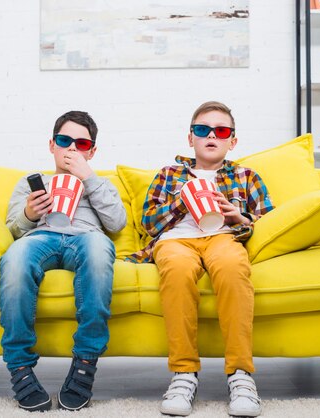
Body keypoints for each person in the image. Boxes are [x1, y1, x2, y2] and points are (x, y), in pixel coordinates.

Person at [127, 101, 274, 417]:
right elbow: (148, 224)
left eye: (221, 131)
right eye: (202, 129)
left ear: (231, 141)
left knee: (234, 268)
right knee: (177, 271)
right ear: (190, 138)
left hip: (223, 236)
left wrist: (241, 216)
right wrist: (182, 202)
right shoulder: (169, 174)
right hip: (175, 241)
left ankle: (240, 375)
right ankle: (183, 374)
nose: (211, 135)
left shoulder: (246, 176)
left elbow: (273, 221)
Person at [0, 110, 127, 412]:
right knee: (15, 258)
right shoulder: (32, 182)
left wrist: (88, 178)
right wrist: (30, 213)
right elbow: (13, 229)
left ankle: (85, 361)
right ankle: (19, 367)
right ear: (51, 145)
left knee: (99, 252)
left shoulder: (100, 183)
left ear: (92, 151)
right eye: (64, 140)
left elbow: (117, 222)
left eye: (81, 144)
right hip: (41, 237)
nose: (72, 148)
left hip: (86, 236)